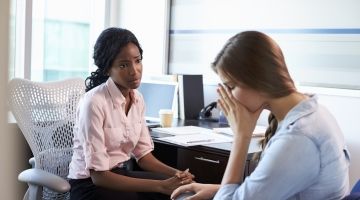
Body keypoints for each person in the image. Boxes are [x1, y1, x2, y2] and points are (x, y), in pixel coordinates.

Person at [171, 31, 350, 200]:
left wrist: (242, 136)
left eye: (231, 87)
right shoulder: (313, 112)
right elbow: (275, 187)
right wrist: (216, 189)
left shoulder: (297, 139)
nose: (228, 97)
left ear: (257, 80)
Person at [68, 27, 194, 200]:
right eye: (123, 65)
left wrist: (176, 174)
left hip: (119, 176)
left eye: (137, 61)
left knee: (185, 191)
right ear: (107, 70)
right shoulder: (94, 103)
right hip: (89, 185)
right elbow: (99, 177)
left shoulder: (138, 99)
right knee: (160, 192)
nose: (134, 70)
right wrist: (160, 185)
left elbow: (143, 157)